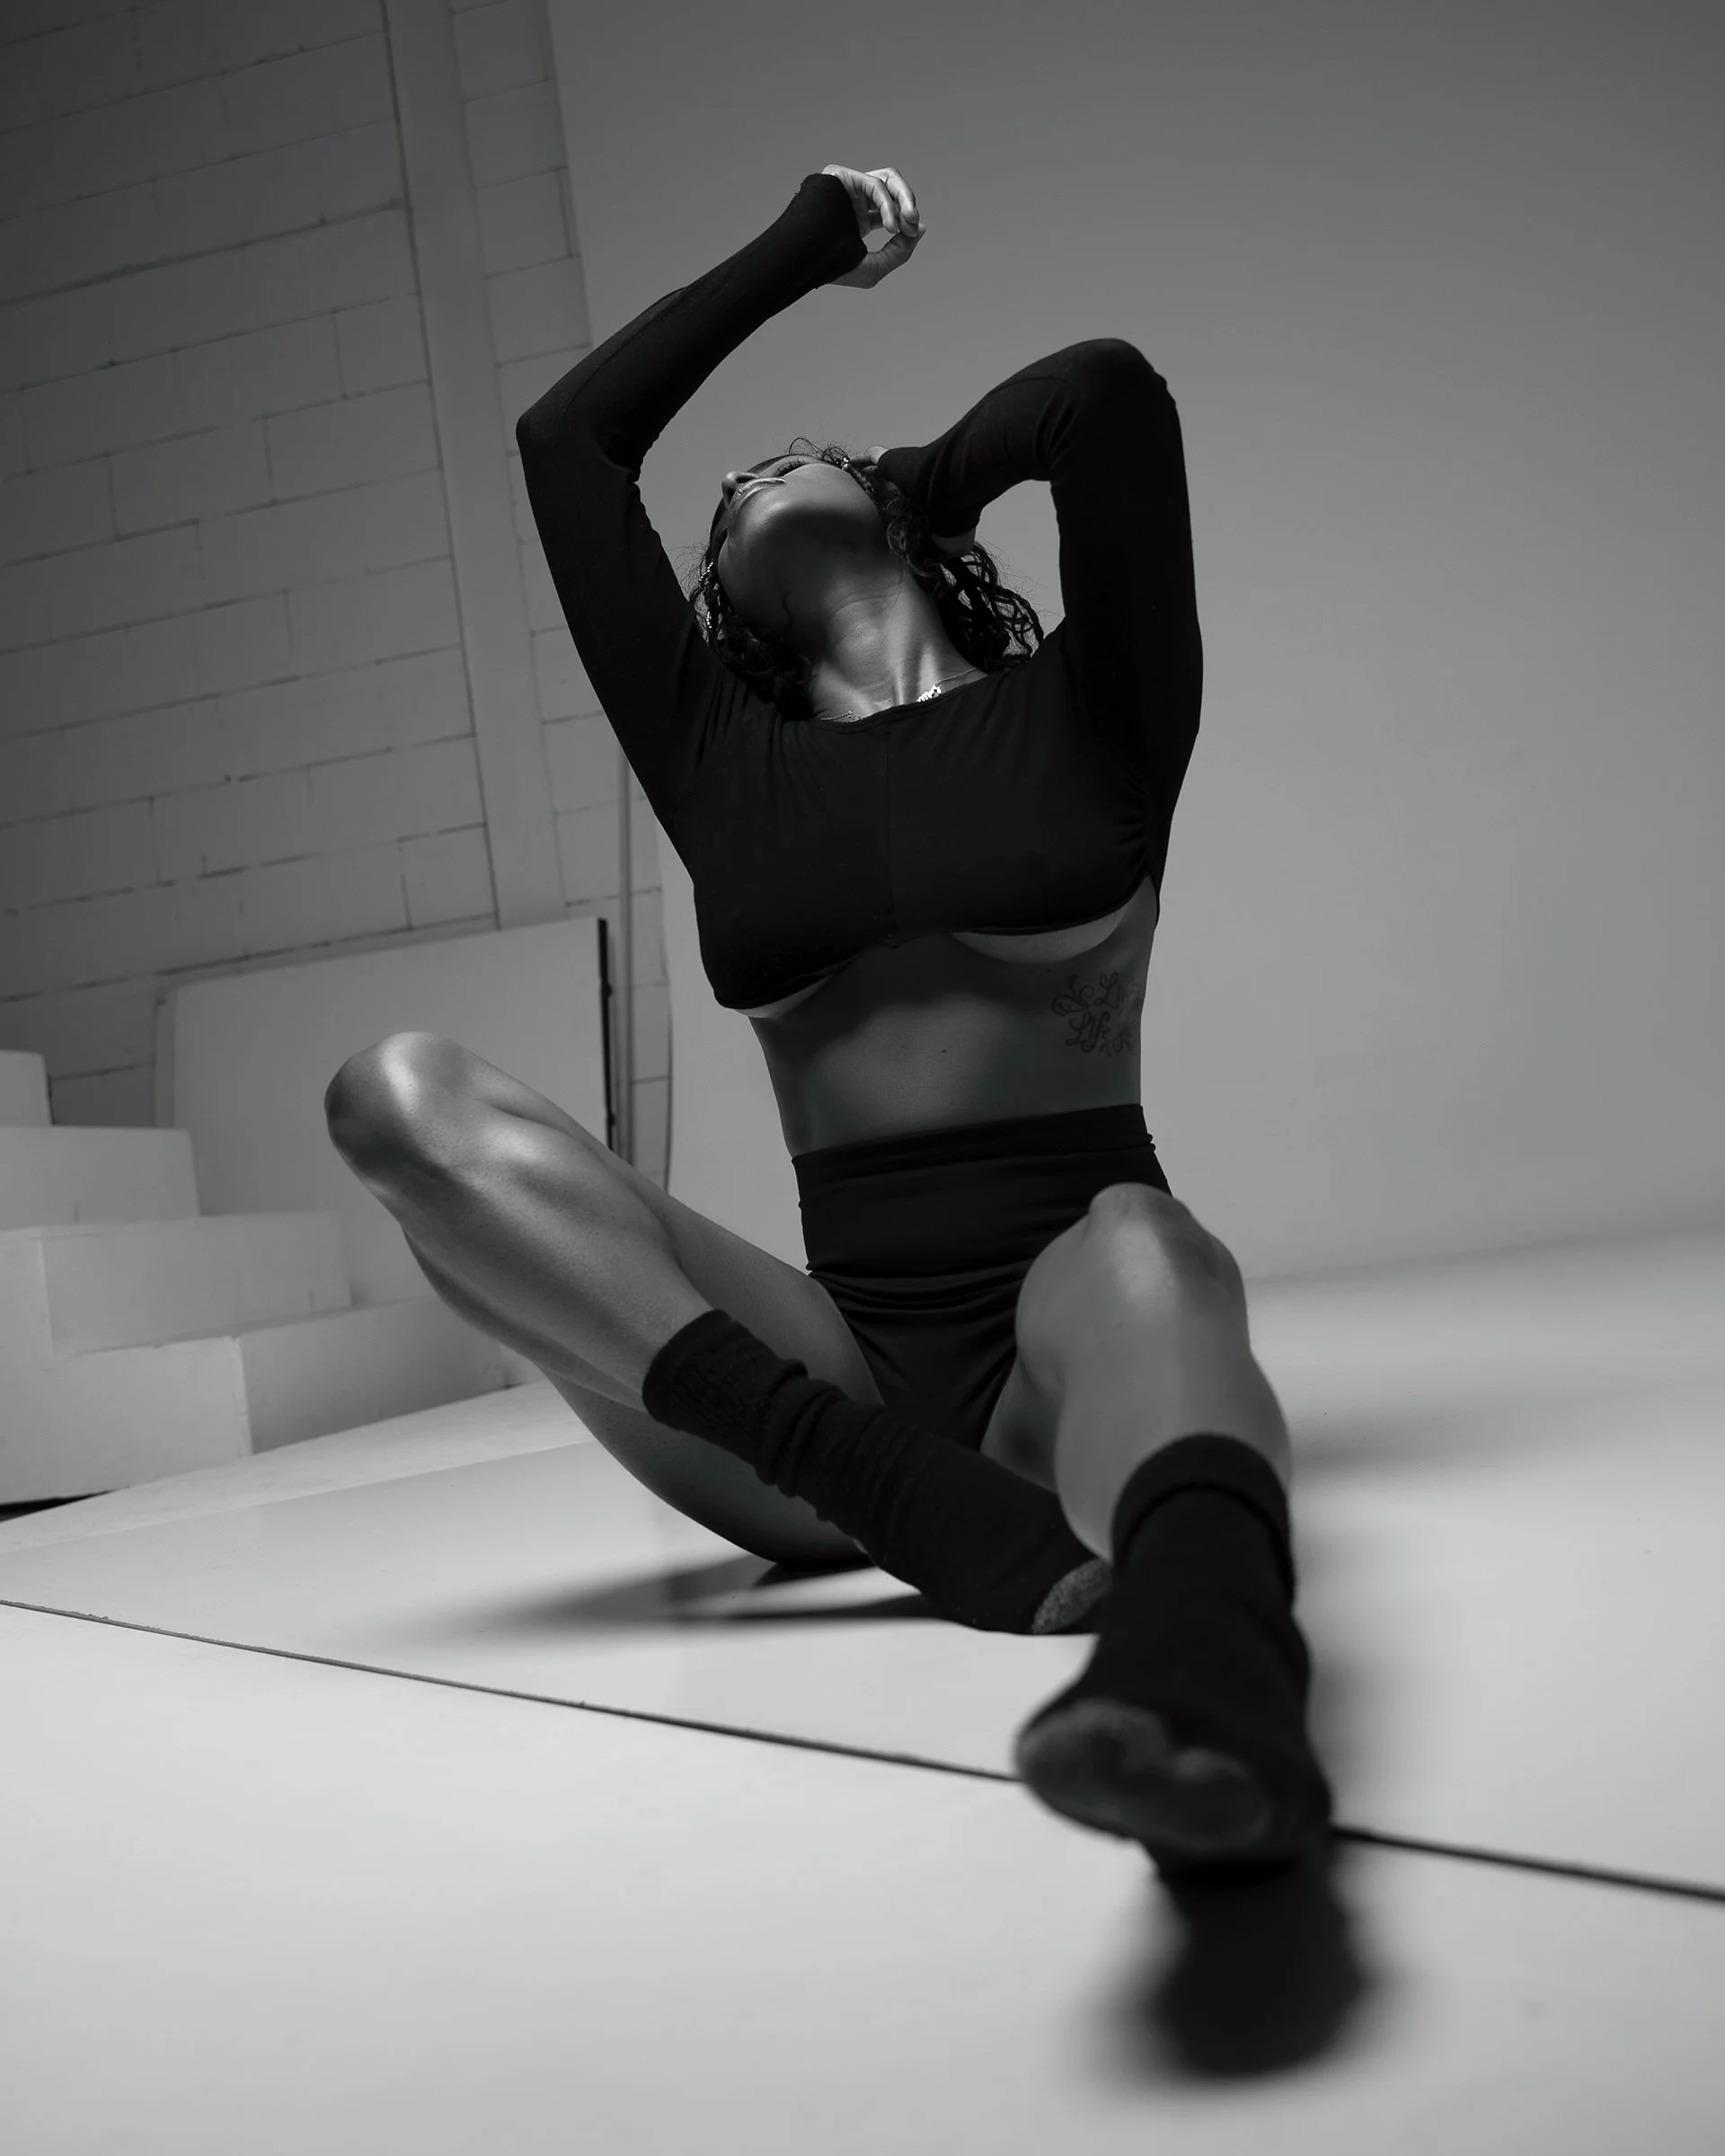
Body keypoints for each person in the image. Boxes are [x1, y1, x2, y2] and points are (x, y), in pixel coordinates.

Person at [324, 164, 1332, 1878]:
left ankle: (1210, 1684)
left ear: (911, 519)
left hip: (1057, 1330)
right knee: (395, 1099)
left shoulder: (1097, 710)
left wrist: (907, 481)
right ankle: (905, 1502)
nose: (750, 477)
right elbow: (569, 447)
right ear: (716, 588)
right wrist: (802, 244)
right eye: (728, 495)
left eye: (797, 464)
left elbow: (1103, 394)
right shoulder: (724, 761)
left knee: (1153, 1249)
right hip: (815, 1390)